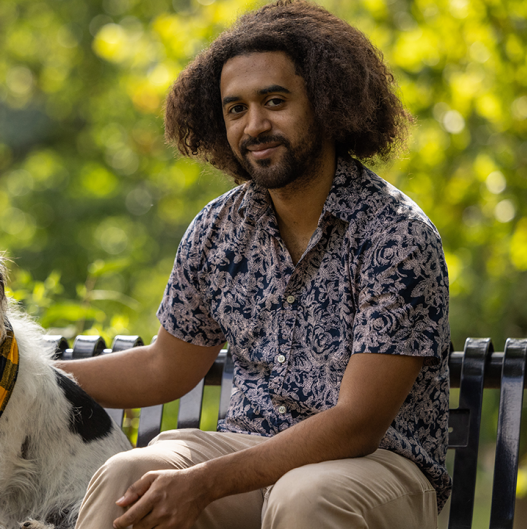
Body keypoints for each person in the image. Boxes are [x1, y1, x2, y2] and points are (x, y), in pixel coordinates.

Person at [58, 1, 450, 527]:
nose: (255, 125)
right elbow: (165, 367)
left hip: (376, 468)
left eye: (275, 101)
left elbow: (358, 423)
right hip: (245, 451)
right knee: (132, 475)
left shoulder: (396, 234)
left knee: (304, 496)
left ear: (327, 103)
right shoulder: (218, 230)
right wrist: (28, 375)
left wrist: (204, 483)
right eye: (235, 109)